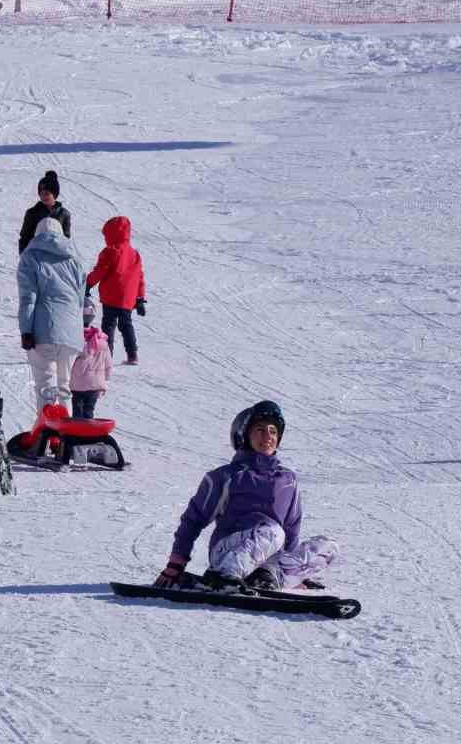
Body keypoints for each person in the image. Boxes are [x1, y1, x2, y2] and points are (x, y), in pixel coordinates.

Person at [152, 402, 339, 592]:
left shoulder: (288, 480)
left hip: (268, 557)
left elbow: (292, 527)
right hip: (229, 552)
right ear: (244, 435)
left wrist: (294, 571)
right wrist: (176, 564)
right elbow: (193, 520)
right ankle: (224, 575)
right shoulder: (225, 477)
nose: (268, 436)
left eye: (273, 431)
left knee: (328, 546)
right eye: (259, 430)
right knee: (272, 531)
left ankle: (268, 579)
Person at [17, 217, 85, 415]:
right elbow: (80, 300)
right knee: (65, 390)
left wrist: (26, 331)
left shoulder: (30, 258)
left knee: (46, 390)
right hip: (72, 334)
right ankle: (67, 439)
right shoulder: (74, 260)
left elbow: (28, 299)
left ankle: (47, 439)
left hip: (43, 332)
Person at [85, 215, 146, 365]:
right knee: (126, 324)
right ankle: (133, 355)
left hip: (111, 297)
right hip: (127, 298)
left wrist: (87, 285)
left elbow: (100, 271)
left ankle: (107, 356)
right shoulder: (135, 254)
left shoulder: (110, 251)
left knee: (108, 325)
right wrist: (139, 298)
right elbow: (139, 277)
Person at [69, 296, 111, 419]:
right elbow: (108, 363)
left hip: (76, 385)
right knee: (88, 412)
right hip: (95, 385)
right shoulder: (102, 339)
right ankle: (88, 435)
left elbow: (67, 361)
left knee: (76, 412)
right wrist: (105, 379)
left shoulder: (73, 338)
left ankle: (76, 435)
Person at [18, 169, 71, 255]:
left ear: (54, 194)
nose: (43, 197)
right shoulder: (32, 213)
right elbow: (24, 238)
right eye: (41, 194)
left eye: (46, 194)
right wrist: (23, 257)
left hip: (55, 258)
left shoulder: (64, 214)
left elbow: (66, 240)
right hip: (35, 256)